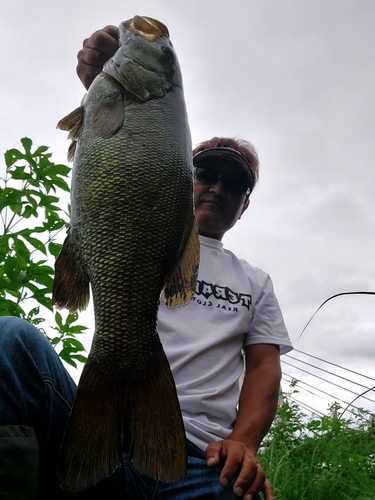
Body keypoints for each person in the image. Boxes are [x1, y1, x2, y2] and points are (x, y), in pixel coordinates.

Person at [0, 25, 293, 500]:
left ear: (244, 206)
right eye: (206, 172)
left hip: (199, 462)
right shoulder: (149, 166)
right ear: (180, 172)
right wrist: (106, 82)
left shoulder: (255, 282)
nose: (218, 187)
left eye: (235, 183)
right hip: (92, 425)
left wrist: (243, 442)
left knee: (244, 493)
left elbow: (264, 368)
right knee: (9, 340)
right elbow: (124, 143)